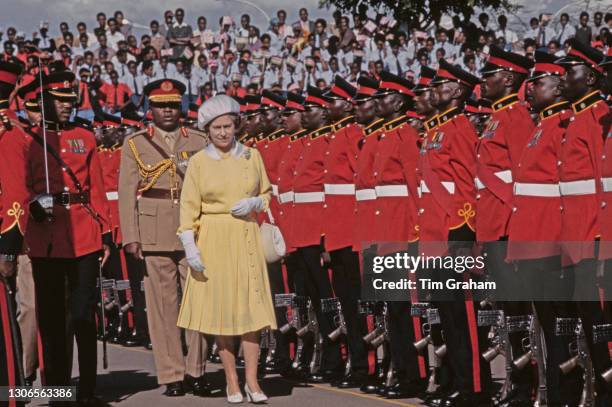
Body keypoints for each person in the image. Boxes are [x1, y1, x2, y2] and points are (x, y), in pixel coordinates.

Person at [177, 95, 277, 403]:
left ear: (236, 126)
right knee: (223, 314)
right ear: (207, 129)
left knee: (252, 311)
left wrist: (256, 202)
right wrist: (190, 247)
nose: (223, 133)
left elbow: (267, 192)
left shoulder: (251, 155)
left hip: (245, 233)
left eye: (228, 126)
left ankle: (252, 380)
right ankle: (232, 380)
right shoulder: (198, 162)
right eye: (217, 127)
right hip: (213, 236)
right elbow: (188, 207)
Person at [26, 70, 113, 405]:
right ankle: (58, 391)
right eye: (60, 100)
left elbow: (97, 188)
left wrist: (106, 232)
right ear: (45, 101)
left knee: (82, 314)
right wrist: (31, 204)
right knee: (52, 319)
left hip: (84, 234)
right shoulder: (28, 140)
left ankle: (88, 391)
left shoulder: (85, 137)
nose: (67, 106)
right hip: (45, 236)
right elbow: (16, 187)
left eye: (70, 100)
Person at [118, 79, 209, 397]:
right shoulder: (135, 144)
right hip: (154, 231)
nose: (168, 111)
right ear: (149, 109)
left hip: (193, 228)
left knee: (198, 301)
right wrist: (131, 236)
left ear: (181, 107)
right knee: (162, 307)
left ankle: (196, 369)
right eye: (161, 105)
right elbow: (127, 193)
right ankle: (172, 374)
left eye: (173, 104)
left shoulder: (199, 140)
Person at [476, 45, 535, 406]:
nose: (485, 81)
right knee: (505, 312)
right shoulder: (497, 118)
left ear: (509, 78)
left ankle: (523, 383)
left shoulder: (515, 119)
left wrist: (513, 230)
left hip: (507, 228)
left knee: (516, 313)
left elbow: (521, 179)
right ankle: (514, 379)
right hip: (492, 227)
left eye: (490, 74)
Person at [556, 39, 612, 406]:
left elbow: (601, 186)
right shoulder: (582, 117)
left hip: (593, 237)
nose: (563, 79)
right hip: (578, 237)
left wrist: (598, 237)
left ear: (590, 76)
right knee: (589, 327)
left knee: (600, 327)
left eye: (569, 72)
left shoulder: (596, 117)